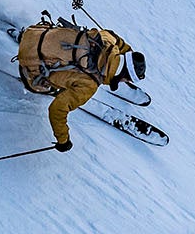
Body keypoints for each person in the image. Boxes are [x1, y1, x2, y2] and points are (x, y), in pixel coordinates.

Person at [16, 13, 134, 151]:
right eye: (126, 79)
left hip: (34, 33)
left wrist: (128, 51)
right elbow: (56, 110)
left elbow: (111, 34)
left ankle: (19, 38)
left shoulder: (107, 41)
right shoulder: (89, 85)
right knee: (55, 90)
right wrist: (63, 140)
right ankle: (51, 86)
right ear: (121, 76)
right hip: (28, 67)